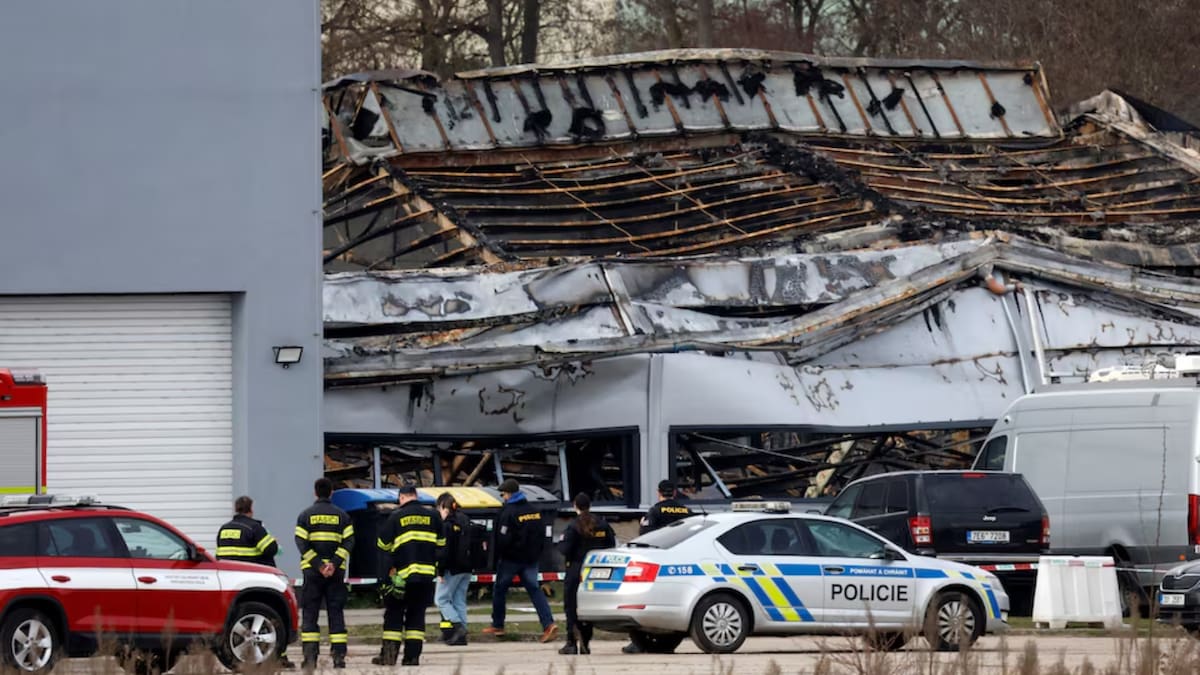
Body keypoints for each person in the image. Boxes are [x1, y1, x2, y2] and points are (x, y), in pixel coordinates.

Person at [216, 496, 294, 668]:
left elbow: (219, 555)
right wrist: (273, 541)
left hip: (230, 581)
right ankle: (278, 657)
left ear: (236, 509)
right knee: (271, 617)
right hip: (253, 580)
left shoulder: (224, 529)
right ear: (250, 509)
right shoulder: (254, 527)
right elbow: (270, 549)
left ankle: (244, 655)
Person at [374, 483, 444, 667]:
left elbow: (383, 547)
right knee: (417, 616)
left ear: (402, 497)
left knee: (394, 615)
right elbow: (442, 546)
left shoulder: (395, 516)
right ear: (416, 496)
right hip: (426, 577)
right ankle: (412, 657)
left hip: (402, 577)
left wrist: (384, 578)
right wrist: (435, 567)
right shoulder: (433, 516)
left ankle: (389, 657)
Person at [622, 480, 695, 654]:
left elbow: (645, 536)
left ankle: (638, 642)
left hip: (659, 562)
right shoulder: (687, 511)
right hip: (682, 564)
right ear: (675, 493)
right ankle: (669, 642)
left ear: (659, 492)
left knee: (643, 602)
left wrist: (642, 524)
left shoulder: (655, 511)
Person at [483, 478, 559, 642]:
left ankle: (498, 625)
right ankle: (548, 624)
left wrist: (497, 557)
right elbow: (542, 535)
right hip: (531, 559)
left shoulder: (508, 512)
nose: (503, 497)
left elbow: (502, 538)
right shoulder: (534, 511)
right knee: (535, 590)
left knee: (499, 590)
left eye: (503, 494)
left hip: (511, 560)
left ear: (509, 494)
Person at [294, 478, 354, 670]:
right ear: (331, 492)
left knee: (310, 614)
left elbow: (301, 543)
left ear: (315, 492)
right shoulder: (343, 516)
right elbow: (349, 542)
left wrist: (318, 565)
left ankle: (310, 658)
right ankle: (339, 657)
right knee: (336, 612)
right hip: (335, 573)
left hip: (312, 572)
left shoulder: (305, 515)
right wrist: (333, 564)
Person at [556, 493, 615, 655]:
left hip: (576, 570)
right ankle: (585, 643)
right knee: (587, 608)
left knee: (572, 607)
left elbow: (565, 549)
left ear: (575, 505)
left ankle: (571, 642)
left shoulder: (574, 526)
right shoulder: (602, 524)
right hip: (595, 571)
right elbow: (611, 545)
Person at [435, 492, 472, 647]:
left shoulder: (446, 525)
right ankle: (461, 635)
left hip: (452, 568)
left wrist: (440, 571)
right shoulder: (465, 519)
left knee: (441, 600)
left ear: (444, 507)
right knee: (459, 600)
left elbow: (444, 551)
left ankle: (458, 627)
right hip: (467, 567)